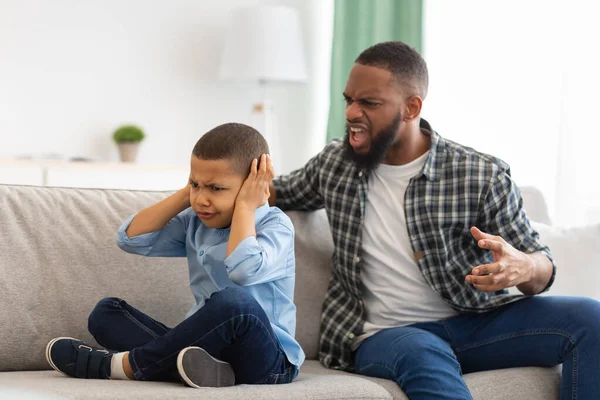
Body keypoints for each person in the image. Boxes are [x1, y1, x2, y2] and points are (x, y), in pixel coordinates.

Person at [269, 41, 600, 399]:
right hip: (386, 334)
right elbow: (273, 192)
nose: (351, 112)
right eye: (349, 99)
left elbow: (540, 267)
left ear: (411, 108)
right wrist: (206, 188)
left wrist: (524, 266)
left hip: (476, 323)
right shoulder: (336, 163)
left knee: (590, 319)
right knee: (423, 352)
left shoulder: (479, 175)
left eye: (369, 102)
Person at [46, 122, 304, 388]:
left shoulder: (275, 226)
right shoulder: (196, 220)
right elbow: (130, 239)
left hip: (268, 360)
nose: (202, 198)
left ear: (253, 183)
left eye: (216, 188)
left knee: (235, 303)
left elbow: (242, 270)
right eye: (195, 184)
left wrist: (246, 207)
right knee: (106, 313)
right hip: (208, 350)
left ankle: (124, 366)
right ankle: (189, 367)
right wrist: (188, 193)